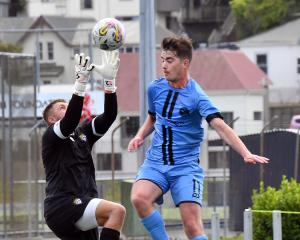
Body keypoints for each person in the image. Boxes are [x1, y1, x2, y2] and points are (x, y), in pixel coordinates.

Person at [127, 35, 269, 240]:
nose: (164, 66)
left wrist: (245, 153)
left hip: (185, 168)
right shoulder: (154, 88)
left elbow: (220, 126)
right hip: (155, 162)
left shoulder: (197, 96)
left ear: (185, 63)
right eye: (162, 60)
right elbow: (152, 117)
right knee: (139, 198)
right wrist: (139, 136)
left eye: (169, 60)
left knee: (192, 227)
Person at [42, 51, 125, 240]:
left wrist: (110, 81)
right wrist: (80, 82)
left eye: (67, 104)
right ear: (51, 119)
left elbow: (110, 116)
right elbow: (70, 120)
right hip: (62, 205)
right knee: (116, 211)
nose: (68, 107)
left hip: (83, 203)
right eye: (62, 107)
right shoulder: (51, 136)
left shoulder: (82, 133)